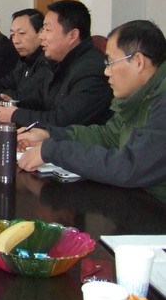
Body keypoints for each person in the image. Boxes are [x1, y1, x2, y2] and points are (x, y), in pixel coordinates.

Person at [17, 20, 166, 203]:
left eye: (110, 62)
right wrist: (49, 135)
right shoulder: (139, 95)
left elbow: (130, 167)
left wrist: (54, 151)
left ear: (138, 62)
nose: (106, 72)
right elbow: (108, 136)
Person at [0, 0, 113, 127]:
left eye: (47, 30)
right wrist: (15, 105)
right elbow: (41, 100)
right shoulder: (62, 62)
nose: (41, 36)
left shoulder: (91, 69)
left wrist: (15, 114)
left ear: (72, 35)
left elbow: (63, 121)